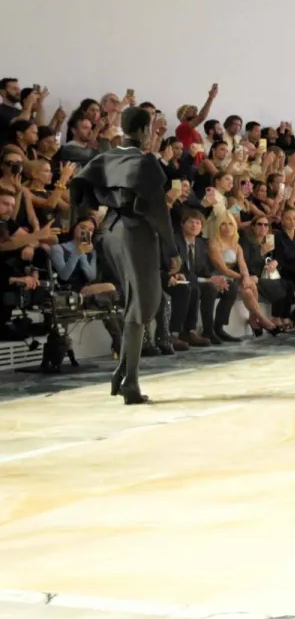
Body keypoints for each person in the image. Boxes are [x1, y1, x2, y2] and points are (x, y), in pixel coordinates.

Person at [69, 107, 172, 405]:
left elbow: (79, 187)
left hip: (110, 231)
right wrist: (172, 249)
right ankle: (131, 382)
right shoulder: (145, 162)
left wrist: (92, 216)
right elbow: (158, 210)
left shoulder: (106, 157)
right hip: (135, 232)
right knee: (142, 306)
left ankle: (123, 372)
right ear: (144, 130)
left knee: (133, 306)